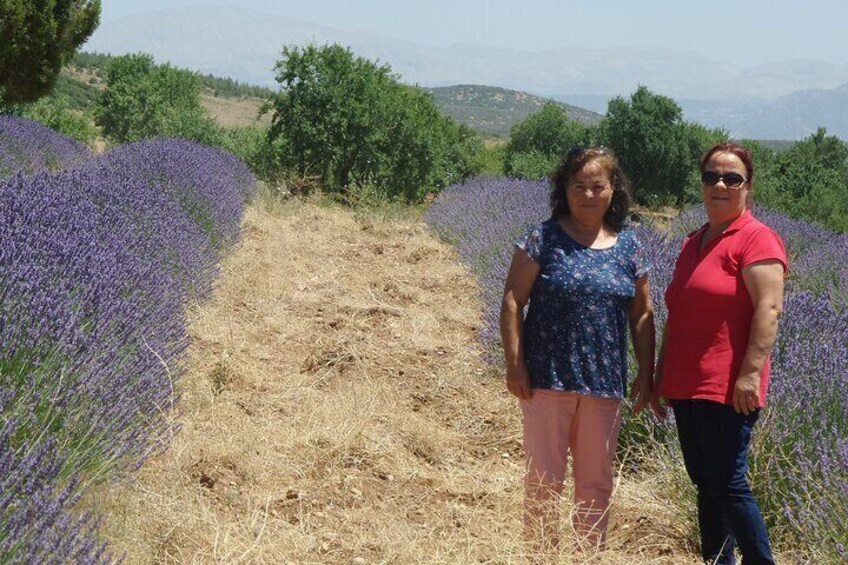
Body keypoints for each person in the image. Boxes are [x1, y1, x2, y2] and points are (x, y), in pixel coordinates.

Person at [500, 146, 655, 551]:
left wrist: (647, 371)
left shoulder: (630, 247)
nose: (588, 195)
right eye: (578, 186)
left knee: (595, 483)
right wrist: (515, 364)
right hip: (547, 379)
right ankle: (541, 556)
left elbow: (642, 315)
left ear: (613, 189)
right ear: (564, 191)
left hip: (605, 385)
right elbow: (514, 300)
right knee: (543, 480)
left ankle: (589, 556)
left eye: (597, 186)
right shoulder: (543, 237)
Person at [654, 142, 786, 564]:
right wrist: (660, 374)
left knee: (728, 484)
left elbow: (769, 308)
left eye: (732, 178)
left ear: (748, 186)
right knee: (705, 483)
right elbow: (678, 313)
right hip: (686, 381)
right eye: (711, 176)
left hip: (727, 385)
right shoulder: (695, 241)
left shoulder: (757, 239)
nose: (720, 185)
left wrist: (750, 374)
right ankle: (717, 561)